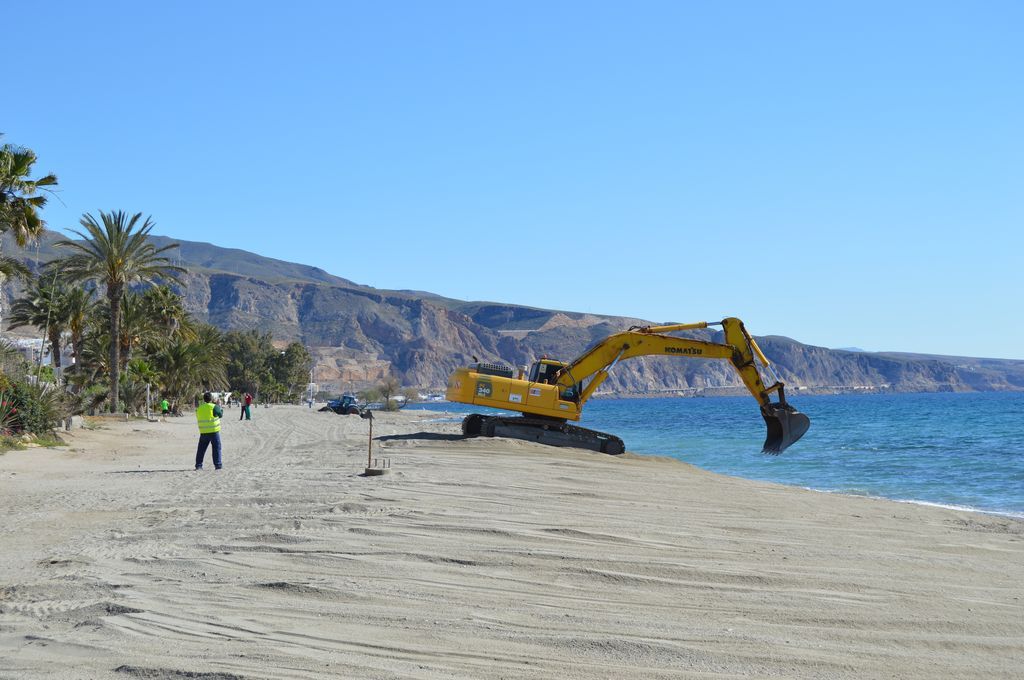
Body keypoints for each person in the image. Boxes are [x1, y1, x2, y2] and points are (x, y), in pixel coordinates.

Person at [195, 391, 223, 470]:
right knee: (216, 448)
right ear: (211, 399)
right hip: (214, 431)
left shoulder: (199, 408)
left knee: (201, 449)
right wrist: (220, 408)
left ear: (204, 399)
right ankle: (217, 465)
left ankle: (198, 465)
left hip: (203, 432)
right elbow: (220, 415)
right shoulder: (214, 406)